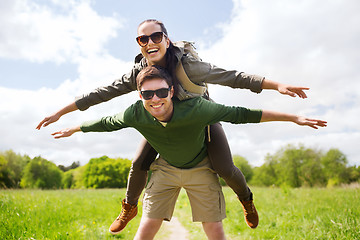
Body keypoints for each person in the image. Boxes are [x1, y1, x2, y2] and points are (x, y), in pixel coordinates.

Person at [37, 19, 310, 232]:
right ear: (139, 44)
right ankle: (129, 208)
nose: (149, 42)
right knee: (138, 163)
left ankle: (246, 200)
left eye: (156, 36)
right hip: (161, 119)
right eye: (142, 39)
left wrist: (278, 85)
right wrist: (61, 113)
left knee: (224, 167)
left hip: (199, 117)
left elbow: (234, 77)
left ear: (166, 39)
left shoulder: (190, 67)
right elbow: (102, 93)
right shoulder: (138, 73)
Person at [52, 66, 326, 240]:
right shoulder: (135, 112)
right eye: (148, 95)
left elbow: (241, 113)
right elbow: (106, 122)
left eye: (161, 92)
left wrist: (293, 118)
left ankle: (247, 200)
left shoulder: (197, 107)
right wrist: (74, 128)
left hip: (200, 167)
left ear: (171, 91)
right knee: (147, 226)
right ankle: (128, 207)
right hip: (166, 169)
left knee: (215, 227)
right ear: (140, 97)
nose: (155, 98)